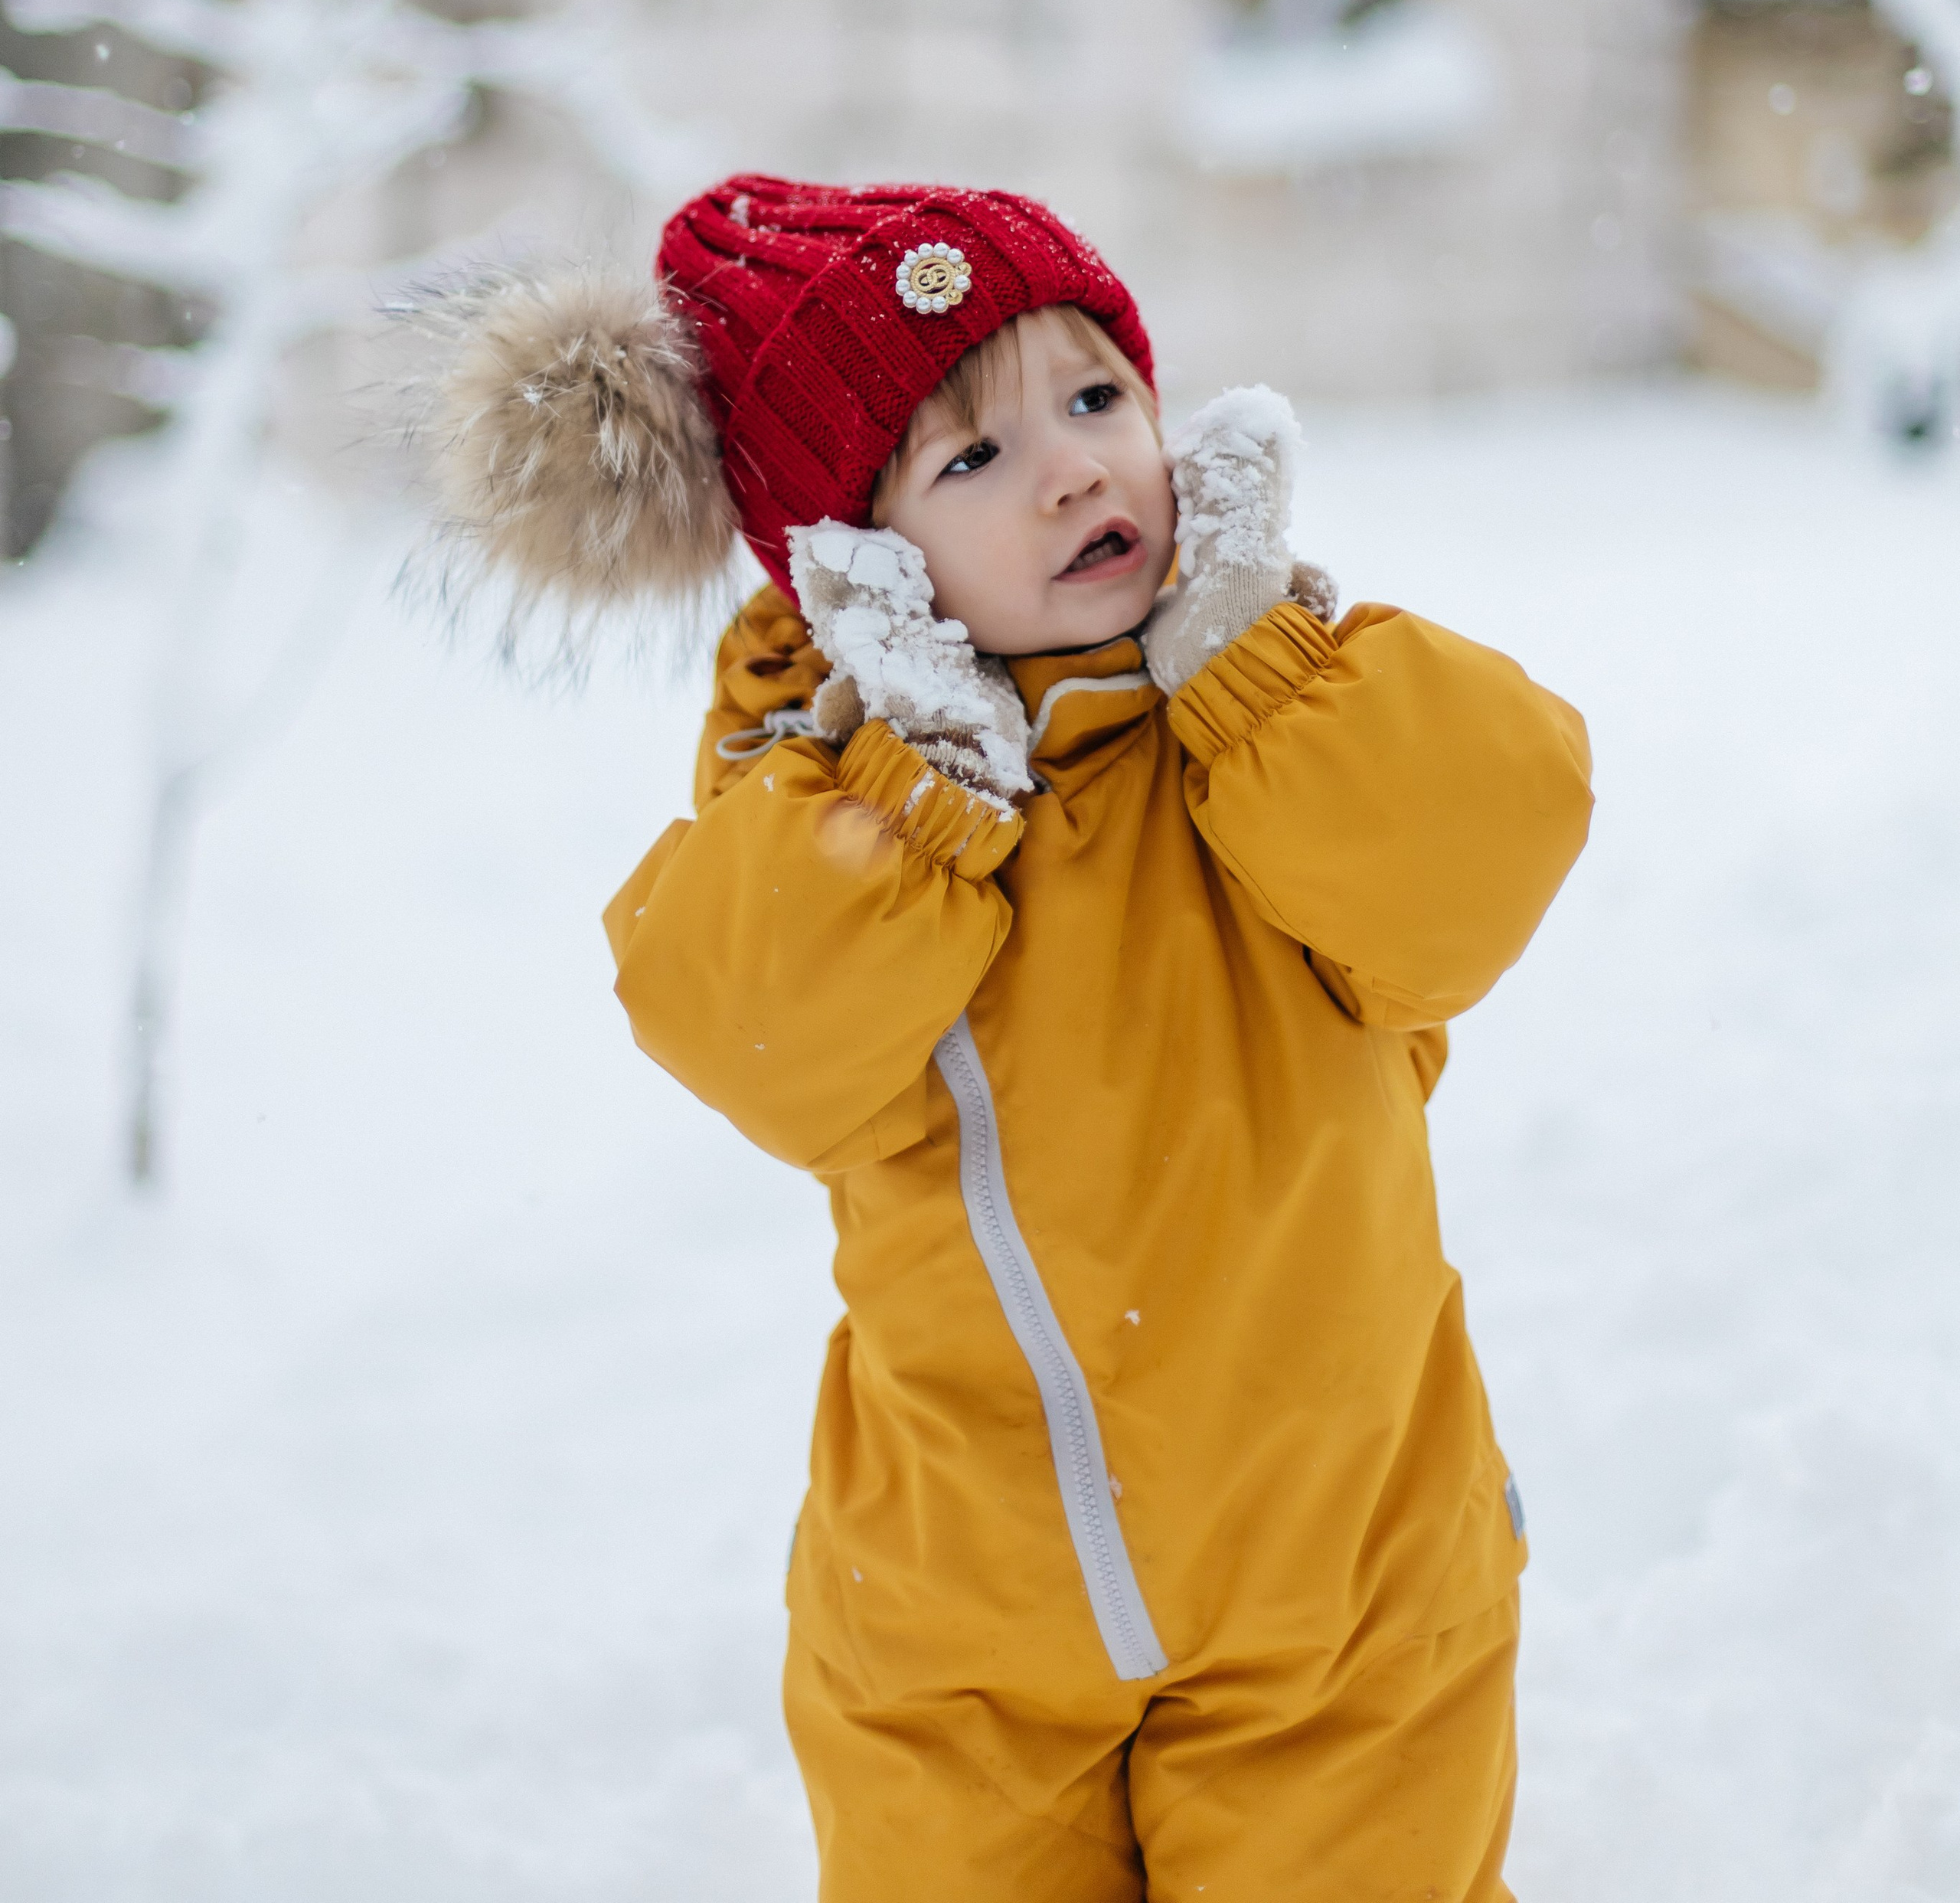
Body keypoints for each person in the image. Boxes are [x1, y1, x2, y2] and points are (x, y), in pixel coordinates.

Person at [413, 173, 1594, 1902]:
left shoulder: (1279, 713)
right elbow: (753, 1043)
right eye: (967, 458)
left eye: (1095, 397)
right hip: (961, 1644)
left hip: (1343, 1594)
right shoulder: (827, 794)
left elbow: (1487, 853)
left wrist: (1257, 665)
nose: (1071, 468)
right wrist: (913, 792)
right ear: (861, 565)